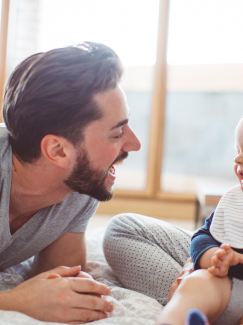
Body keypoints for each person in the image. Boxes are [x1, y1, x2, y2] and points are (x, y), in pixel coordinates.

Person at [104, 101, 243, 325]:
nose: (237, 158)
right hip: (222, 283)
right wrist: (213, 256)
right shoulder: (234, 199)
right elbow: (202, 235)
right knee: (195, 285)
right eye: (237, 150)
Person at [0, 41, 141, 323]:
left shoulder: (80, 185)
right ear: (58, 151)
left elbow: (56, 280)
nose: (134, 144)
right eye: (116, 134)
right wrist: (14, 301)